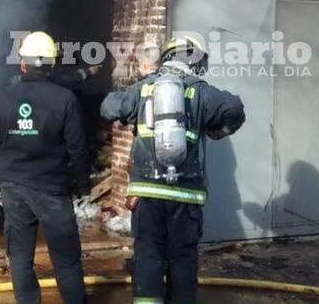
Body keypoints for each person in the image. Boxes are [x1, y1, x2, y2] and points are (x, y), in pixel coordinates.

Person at [101, 35, 245, 304]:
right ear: (197, 60)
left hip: (147, 193)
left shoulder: (144, 88)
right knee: (183, 257)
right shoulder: (201, 91)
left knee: (148, 255)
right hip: (185, 194)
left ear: (167, 56)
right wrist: (217, 130)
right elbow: (235, 108)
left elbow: (108, 107)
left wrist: (132, 106)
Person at [0, 31, 91, 304]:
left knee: (20, 258)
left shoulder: (1, 99)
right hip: (52, 189)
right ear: (52, 65)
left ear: (23, 64)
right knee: (66, 259)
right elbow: (78, 147)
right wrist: (83, 185)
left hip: (13, 188)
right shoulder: (65, 98)